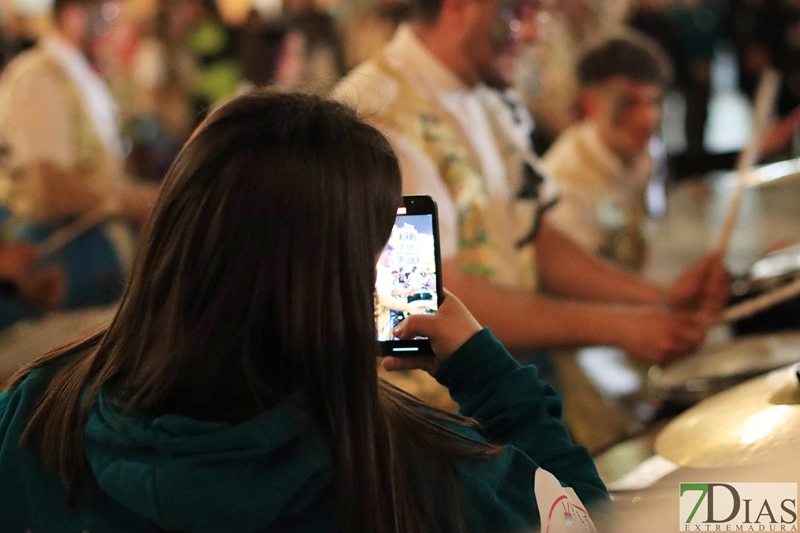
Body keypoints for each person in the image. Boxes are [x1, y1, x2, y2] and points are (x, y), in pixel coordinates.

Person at [0, 90, 611, 533]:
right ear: (345, 286)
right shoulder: (420, 475)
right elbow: (586, 521)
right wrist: (487, 374)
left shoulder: (30, 416)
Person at [334, 0, 729, 366]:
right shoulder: (378, 117)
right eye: (519, 11)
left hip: (502, 373)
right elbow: (430, 303)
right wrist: (622, 327)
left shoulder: (484, 90)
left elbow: (534, 237)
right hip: (435, 416)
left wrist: (659, 298)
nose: (535, 33)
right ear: (459, 6)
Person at [0, 0, 159, 330]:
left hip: (87, 256)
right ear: (73, 17)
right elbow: (49, 188)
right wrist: (136, 200)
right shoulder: (38, 78)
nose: (114, 27)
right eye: (107, 15)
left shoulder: (81, 74)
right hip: (50, 266)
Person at [543, 32, 673, 272]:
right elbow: (580, 282)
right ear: (591, 103)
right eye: (630, 103)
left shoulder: (647, 151)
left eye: (653, 102)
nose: (648, 119)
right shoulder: (565, 184)